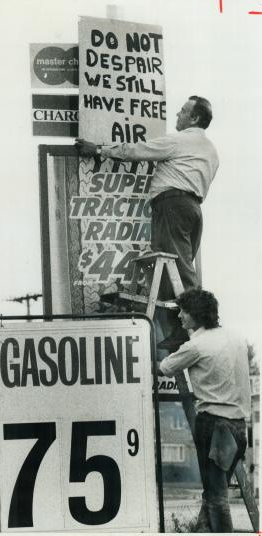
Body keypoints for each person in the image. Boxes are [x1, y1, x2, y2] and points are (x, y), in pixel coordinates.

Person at [75, 96, 219, 297]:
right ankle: (183, 324)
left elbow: (138, 149)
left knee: (179, 272)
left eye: (183, 111)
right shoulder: (211, 150)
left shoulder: (179, 140)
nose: (178, 114)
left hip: (172, 206)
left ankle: (197, 318)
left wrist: (100, 150)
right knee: (179, 269)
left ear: (194, 118)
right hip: (194, 209)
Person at [158, 288, 251, 533]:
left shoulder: (196, 345)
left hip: (214, 426)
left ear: (196, 314)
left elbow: (166, 368)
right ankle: (202, 531)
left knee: (217, 496)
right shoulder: (236, 338)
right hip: (239, 427)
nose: (179, 316)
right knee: (212, 493)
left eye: (184, 312)